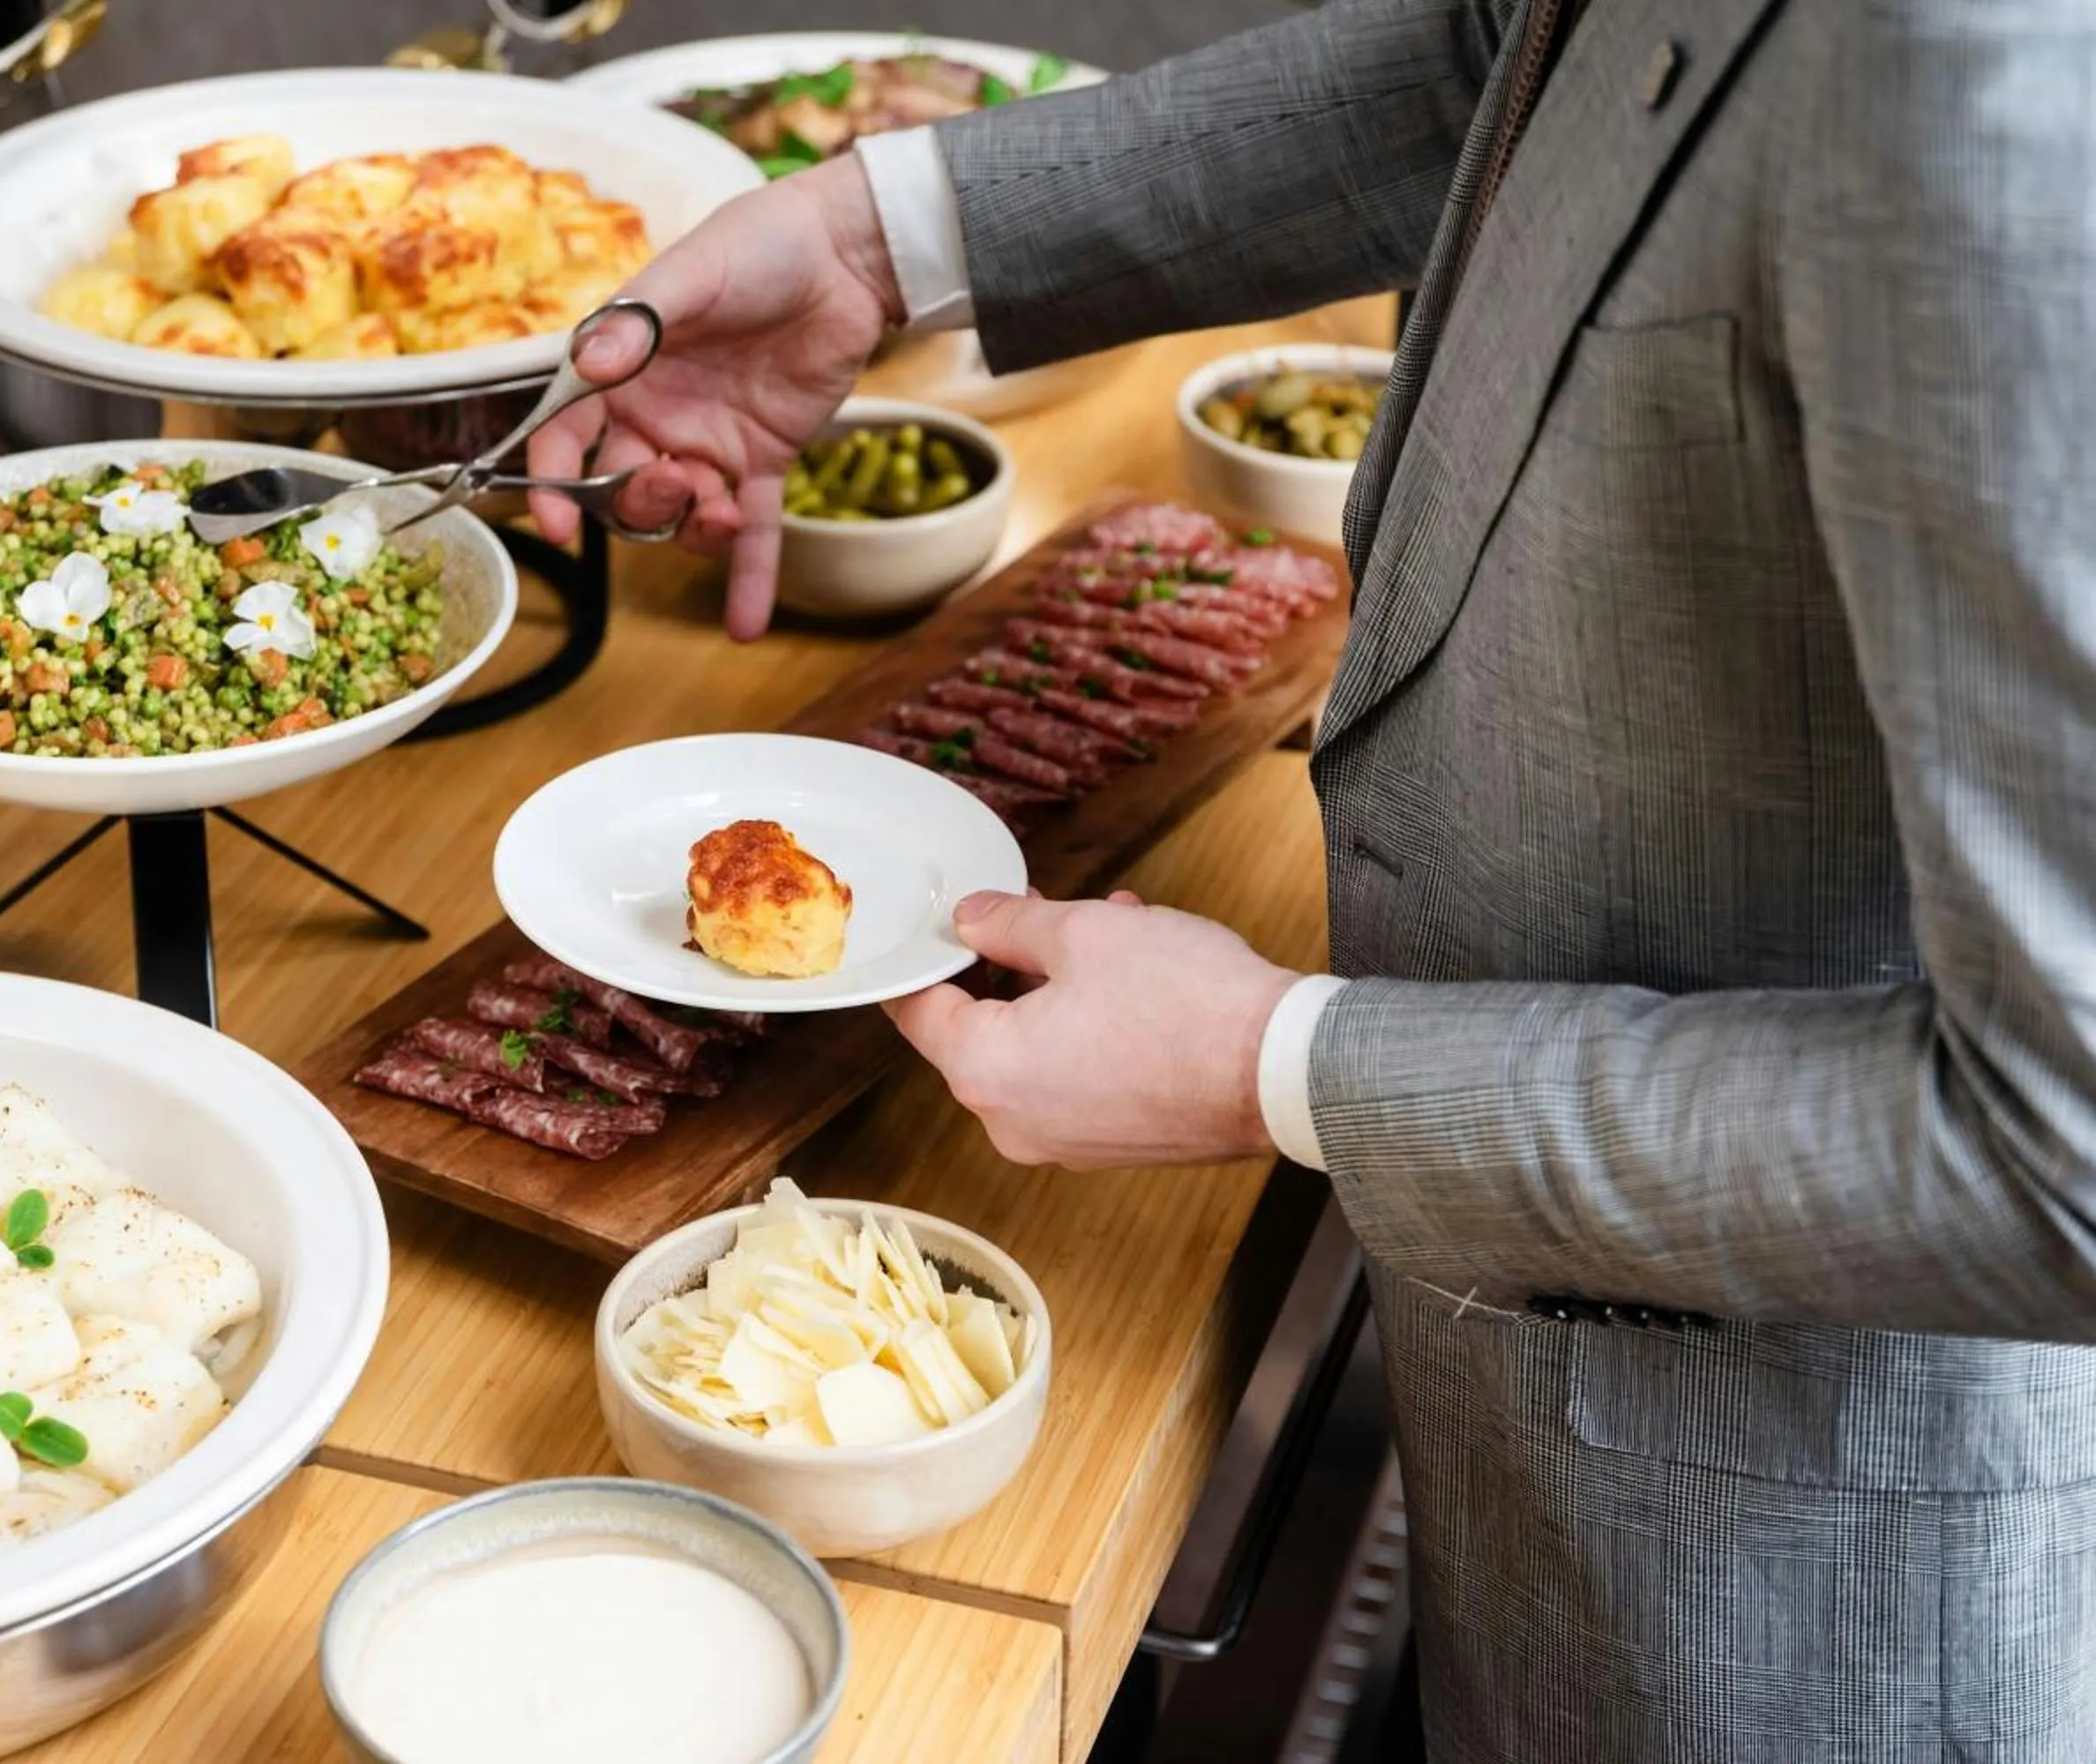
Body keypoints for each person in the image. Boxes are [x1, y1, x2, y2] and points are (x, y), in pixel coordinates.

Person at [528, 1, 2096, 1759]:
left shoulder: (2007, 83)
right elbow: (1488, 62)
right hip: (1524, 1373)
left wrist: (1286, 1066)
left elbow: (2069, 1148)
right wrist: (875, 235)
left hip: (1796, 1553)